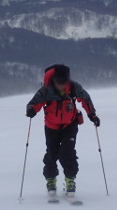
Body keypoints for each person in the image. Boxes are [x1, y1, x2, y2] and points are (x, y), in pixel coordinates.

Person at [26, 64, 100, 199]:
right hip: (51, 127)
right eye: (59, 82)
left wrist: (92, 115)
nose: (62, 85)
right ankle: (51, 179)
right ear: (54, 79)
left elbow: (85, 99)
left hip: (70, 125)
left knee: (68, 152)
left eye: (64, 81)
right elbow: (34, 103)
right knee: (52, 154)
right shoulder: (46, 90)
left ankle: (70, 179)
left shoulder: (73, 87)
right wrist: (31, 109)